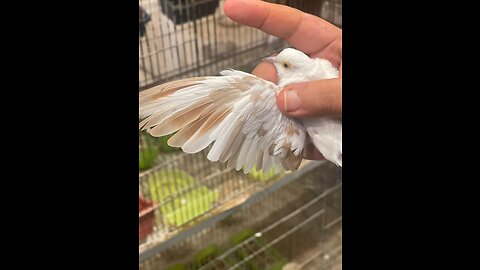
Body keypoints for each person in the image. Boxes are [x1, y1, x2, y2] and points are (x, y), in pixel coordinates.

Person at [223, 0, 342, 160]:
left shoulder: (290, 90)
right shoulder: (324, 66)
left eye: (285, 65)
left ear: (294, 70)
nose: (274, 62)